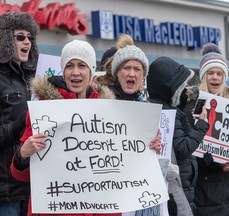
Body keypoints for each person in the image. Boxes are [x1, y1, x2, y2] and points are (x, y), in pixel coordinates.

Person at [9, 39, 120, 216]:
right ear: (64, 70)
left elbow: (125, 161)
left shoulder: (107, 113)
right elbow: (20, 175)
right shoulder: (44, 111)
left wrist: (148, 144)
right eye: (70, 66)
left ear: (91, 70)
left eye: (82, 65)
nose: (75, 72)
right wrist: (23, 154)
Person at [146, 56, 209, 214]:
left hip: (183, 182)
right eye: (182, 86)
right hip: (178, 185)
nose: (187, 88)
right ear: (169, 88)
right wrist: (201, 125)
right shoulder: (167, 113)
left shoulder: (171, 110)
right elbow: (182, 149)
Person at [108, 34, 161, 215]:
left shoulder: (147, 110)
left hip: (137, 196)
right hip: (109, 194)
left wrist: (156, 146)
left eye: (137, 69)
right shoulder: (100, 103)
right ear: (117, 73)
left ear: (142, 76)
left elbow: (150, 154)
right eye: (126, 68)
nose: (131, 73)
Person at [194, 43, 229, 216]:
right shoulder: (192, 105)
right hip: (206, 192)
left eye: (219, 73)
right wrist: (210, 162)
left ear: (224, 76)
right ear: (203, 76)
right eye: (210, 73)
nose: (215, 77)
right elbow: (186, 149)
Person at [0, 11, 39, 216]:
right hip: (5, 191)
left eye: (30, 37)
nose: (27, 42)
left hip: (33, 186)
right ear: (5, 39)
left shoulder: (32, 81)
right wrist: (18, 127)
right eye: (20, 37)